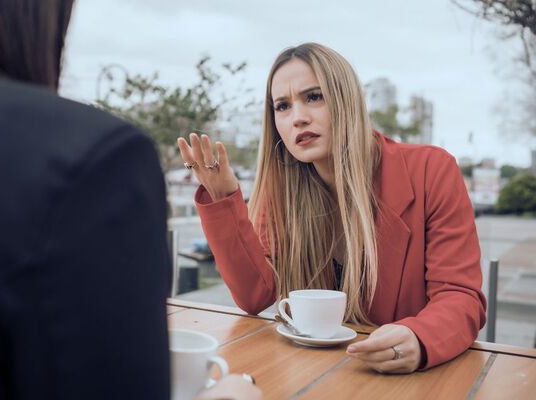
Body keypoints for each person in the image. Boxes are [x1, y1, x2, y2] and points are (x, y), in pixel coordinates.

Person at [177, 42, 486, 374]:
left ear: (346, 99)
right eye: (282, 106)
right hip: (310, 375)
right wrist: (224, 198)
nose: (298, 118)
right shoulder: (281, 190)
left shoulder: (431, 170)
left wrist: (420, 338)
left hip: (406, 382)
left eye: (314, 97)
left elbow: (460, 296)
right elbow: (255, 295)